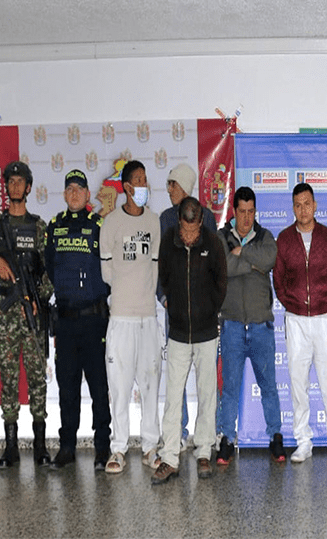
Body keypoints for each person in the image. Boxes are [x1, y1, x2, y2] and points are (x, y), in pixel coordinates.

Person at [273, 183, 327, 463]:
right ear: (293, 207)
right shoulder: (283, 239)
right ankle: (303, 441)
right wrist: (292, 305)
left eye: (307, 203)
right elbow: (278, 280)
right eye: (297, 204)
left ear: (315, 205)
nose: (303, 209)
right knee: (298, 382)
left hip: (323, 319)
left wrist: (324, 305)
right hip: (295, 321)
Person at [153, 197, 227, 483]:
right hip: (179, 334)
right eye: (185, 230)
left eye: (193, 230)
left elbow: (222, 281)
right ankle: (170, 457)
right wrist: (168, 301)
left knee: (208, 394)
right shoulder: (169, 240)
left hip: (207, 332)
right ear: (179, 223)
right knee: (173, 397)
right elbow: (164, 276)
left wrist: (210, 308)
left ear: (201, 222)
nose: (189, 236)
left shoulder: (212, 241)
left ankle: (204, 452)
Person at [0, 161, 54, 468]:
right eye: (10, 181)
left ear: (28, 187)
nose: (15, 186)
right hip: (6, 313)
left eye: (20, 182)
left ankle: (40, 444)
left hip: (32, 312)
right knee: (9, 379)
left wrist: (40, 297)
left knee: (38, 377)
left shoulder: (39, 227)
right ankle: (11, 445)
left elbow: (49, 270)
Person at [44, 169, 111, 470]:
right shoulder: (54, 227)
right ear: (64, 195)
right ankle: (67, 447)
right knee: (67, 388)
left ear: (87, 195)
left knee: (98, 387)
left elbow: (109, 271)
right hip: (66, 321)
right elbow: (48, 268)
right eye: (69, 189)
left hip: (94, 320)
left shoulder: (100, 226)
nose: (74, 194)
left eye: (79, 189)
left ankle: (102, 448)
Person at [99, 160, 163, 473]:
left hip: (148, 317)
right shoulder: (110, 223)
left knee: (150, 384)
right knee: (120, 388)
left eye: (145, 180)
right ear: (126, 187)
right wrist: (126, 292)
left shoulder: (153, 222)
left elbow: (154, 266)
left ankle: (151, 447)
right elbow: (107, 271)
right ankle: (119, 449)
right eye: (138, 181)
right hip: (121, 317)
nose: (143, 186)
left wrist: (143, 295)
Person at [215, 187, 286, 464]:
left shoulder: (266, 236)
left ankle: (275, 437)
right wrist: (251, 263)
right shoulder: (221, 237)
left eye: (251, 212)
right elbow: (225, 267)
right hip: (231, 324)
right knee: (230, 388)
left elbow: (269, 259)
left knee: (269, 386)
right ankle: (226, 440)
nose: (246, 218)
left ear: (255, 211)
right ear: (234, 212)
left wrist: (242, 252)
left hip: (260, 325)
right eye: (241, 212)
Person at [159, 163, 217, 452]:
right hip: (177, 317)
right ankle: (177, 437)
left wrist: (211, 305)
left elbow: (216, 270)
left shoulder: (209, 220)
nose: (169, 189)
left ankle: (205, 444)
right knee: (175, 384)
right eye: (168, 184)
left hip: (205, 320)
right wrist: (166, 299)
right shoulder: (165, 219)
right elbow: (161, 267)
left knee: (207, 386)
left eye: (174, 184)